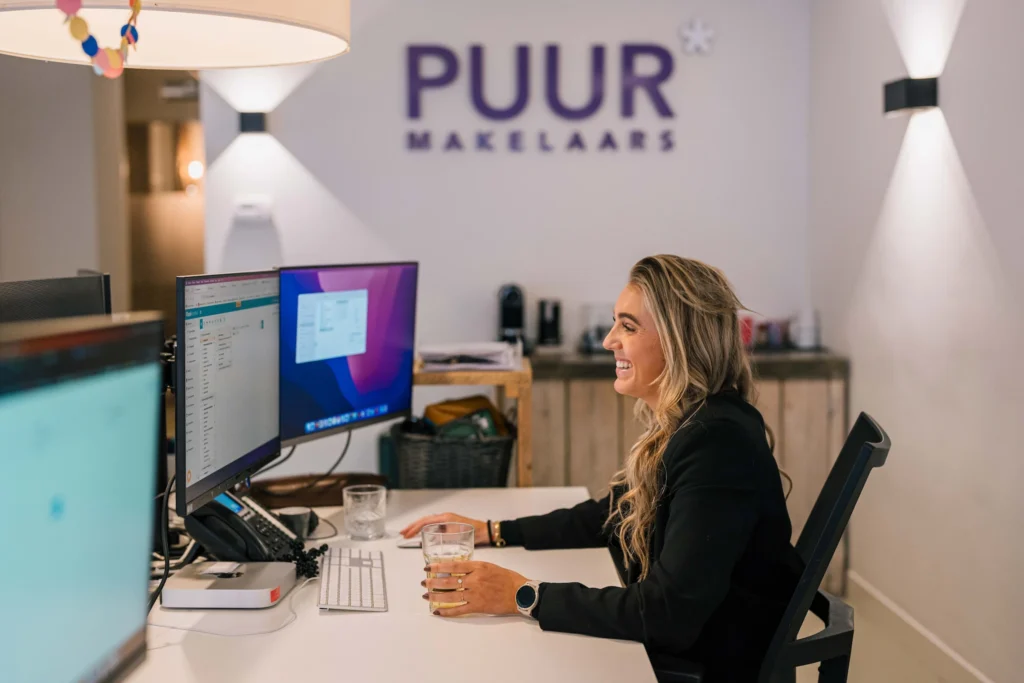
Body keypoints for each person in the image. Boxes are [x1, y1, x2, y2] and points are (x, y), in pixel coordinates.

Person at [400, 255, 804, 682]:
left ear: (679, 340)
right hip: (687, 648)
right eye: (615, 323)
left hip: (704, 666)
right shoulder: (694, 422)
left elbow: (667, 614)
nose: (610, 339)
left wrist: (522, 596)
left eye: (628, 327)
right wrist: (493, 531)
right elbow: (611, 514)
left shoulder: (717, 444)